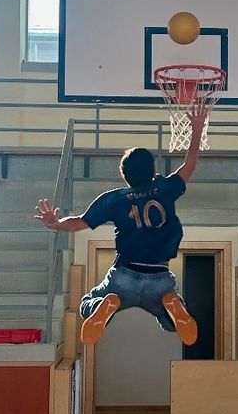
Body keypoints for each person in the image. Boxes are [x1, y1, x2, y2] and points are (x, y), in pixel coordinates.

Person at [35, 108, 206, 347]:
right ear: (152, 171)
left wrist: (54, 223)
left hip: (124, 277)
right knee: (170, 323)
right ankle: (172, 304)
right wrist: (197, 129)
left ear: (124, 174)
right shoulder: (165, 189)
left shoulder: (114, 199)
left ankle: (105, 304)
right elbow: (190, 164)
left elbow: (77, 224)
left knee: (86, 304)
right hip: (160, 278)